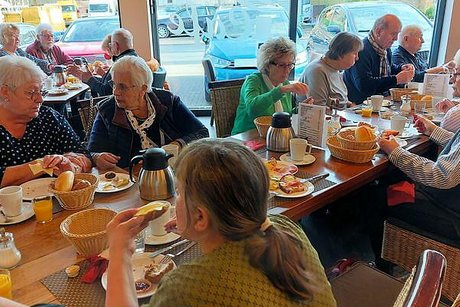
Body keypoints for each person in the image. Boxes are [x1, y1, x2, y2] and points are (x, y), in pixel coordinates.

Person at [105, 139, 336, 306]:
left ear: (201, 216)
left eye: (179, 192)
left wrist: (119, 254)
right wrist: (198, 228)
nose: (175, 201)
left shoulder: (187, 288)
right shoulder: (283, 227)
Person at [88, 56, 209, 170]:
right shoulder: (107, 110)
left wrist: (177, 144)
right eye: (113, 84)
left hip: (170, 171)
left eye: (122, 87)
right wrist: (97, 157)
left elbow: (201, 132)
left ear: (143, 89)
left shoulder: (168, 101)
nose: (115, 92)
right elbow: (92, 151)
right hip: (127, 178)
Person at [0, 56, 91, 187]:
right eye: (31, 92)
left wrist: (73, 166)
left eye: (41, 91)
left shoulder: (48, 117)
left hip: (58, 202)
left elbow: (84, 155)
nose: (40, 99)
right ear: (5, 92)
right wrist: (41, 165)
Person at [231, 37, 311, 135]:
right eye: (282, 65)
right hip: (247, 138)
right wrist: (280, 90)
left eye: (290, 65)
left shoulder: (285, 84)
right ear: (267, 65)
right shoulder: (254, 80)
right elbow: (252, 109)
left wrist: (301, 109)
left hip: (273, 137)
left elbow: (285, 115)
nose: (287, 70)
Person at [343, 14, 415, 104]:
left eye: (397, 34)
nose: (396, 39)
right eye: (393, 34)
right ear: (379, 31)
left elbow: (388, 70)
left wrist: (401, 68)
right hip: (360, 106)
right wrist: (396, 79)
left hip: (381, 102)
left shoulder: (385, 48)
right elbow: (365, 86)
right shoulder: (361, 51)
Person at [297, 32, 363, 107]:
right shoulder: (317, 71)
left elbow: (339, 100)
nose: (357, 58)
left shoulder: (335, 68)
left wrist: (350, 105)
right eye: (354, 53)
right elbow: (318, 108)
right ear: (341, 54)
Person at [68, 28, 138, 97]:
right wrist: (88, 77)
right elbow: (108, 85)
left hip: (118, 107)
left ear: (115, 45)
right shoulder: (135, 59)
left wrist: (89, 79)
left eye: (111, 45)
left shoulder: (121, 65)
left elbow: (106, 92)